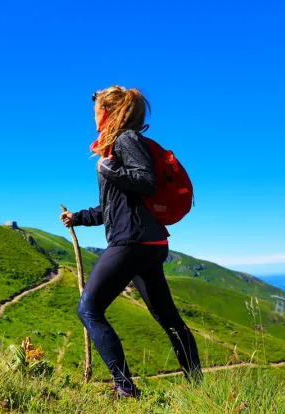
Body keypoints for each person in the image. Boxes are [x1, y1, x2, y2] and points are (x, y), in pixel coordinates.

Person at [60, 85, 201, 399]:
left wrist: (108, 168)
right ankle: (199, 389)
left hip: (132, 243)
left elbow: (146, 182)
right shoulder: (117, 147)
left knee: (89, 310)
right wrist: (78, 217)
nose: (93, 115)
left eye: (96, 109)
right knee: (169, 319)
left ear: (108, 111)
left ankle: (124, 387)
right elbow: (111, 208)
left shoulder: (126, 140)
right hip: (147, 244)